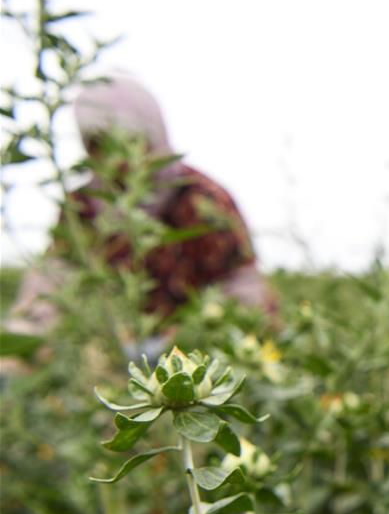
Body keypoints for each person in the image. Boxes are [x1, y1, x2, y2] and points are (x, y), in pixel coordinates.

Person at [6, 75, 275, 341]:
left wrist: (191, 334)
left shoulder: (203, 201)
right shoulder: (83, 207)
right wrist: (27, 338)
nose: (114, 160)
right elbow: (53, 281)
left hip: (206, 358)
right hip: (115, 357)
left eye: (125, 143)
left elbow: (243, 287)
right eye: (98, 146)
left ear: (152, 134)